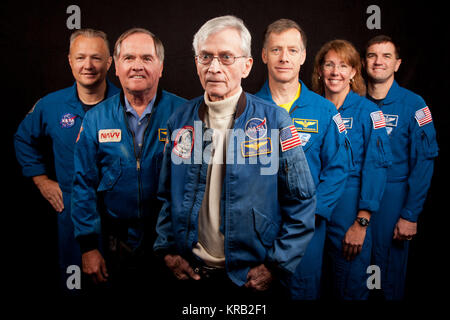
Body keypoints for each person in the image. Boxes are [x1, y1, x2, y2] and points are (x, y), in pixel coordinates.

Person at [153, 15, 316, 301]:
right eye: (206, 56)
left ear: (247, 65)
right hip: (191, 274)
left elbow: (302, 200)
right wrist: (167, 252)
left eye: (226, 57)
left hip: (249, 280)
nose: (214, 67)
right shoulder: (180, 121)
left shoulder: (274, 121)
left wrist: (276, 265)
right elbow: (167, 195)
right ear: (196, 63)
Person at [71, 28, 186, 292]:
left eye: (147, 58)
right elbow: (83, 185)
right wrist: (88, 247)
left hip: (173, 244)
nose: (137, 66)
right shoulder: (96, 119)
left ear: (161, 67)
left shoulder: (185, 115)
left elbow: (202, 184)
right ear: (116, 67)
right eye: (129, 58)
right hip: (117, 245)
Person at [14, 29, 119, 294]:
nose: (88, 65)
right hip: (72, 216)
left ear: (109, 63)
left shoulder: (127, 104)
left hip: (121, 218)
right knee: (76, 286)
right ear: (69, 61)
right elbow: (23, 139)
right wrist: (41, 181)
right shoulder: (51, 105)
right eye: (80, 57)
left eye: (96, 58)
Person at [255, 19, 350, 300]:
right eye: (276, 50)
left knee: (302, 291)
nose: (284, 57)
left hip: (307, 230)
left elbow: (338, 168)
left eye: (292, 50)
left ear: (303, 56)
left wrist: (309, 215)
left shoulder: (324, 110)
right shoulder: (245, 108)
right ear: (263, 55)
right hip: (256, 228)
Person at [312, 39, 392, 299]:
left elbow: (377, 166)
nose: (336, 72)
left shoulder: (369, 113)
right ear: (320, 70)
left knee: (348, 285)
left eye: (343, 65)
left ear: (354, 72)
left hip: (349, 207)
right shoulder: (309, 110)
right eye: (329, 65)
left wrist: (361, 222)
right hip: (310, 207)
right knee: (308, 283)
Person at [363, 35, 438, 300]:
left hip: (393, 201)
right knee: (351, 274)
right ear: (364, 62)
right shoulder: (352, 102)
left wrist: (410, 213)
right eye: (372, 55)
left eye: (386, 56)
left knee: (388, 279)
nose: (378, 61)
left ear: (397, 64)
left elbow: (425, 161)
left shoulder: (415, 105)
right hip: (356, 198)